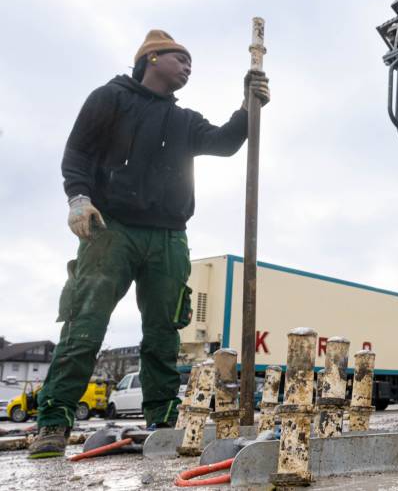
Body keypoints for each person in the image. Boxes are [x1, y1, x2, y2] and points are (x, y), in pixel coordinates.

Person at [28, 30, 270, 459]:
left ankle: (161, 418)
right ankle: (52, 422)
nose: (188, 67)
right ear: (151, 58)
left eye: (191, 62)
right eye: (180, 59)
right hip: (112, 229)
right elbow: (77, 152)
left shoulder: (184, 120)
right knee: (86, 324)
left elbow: (226, 142)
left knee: (163, 333)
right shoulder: (110, 98)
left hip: (169, 235)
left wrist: (249, 104)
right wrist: (78, 198)